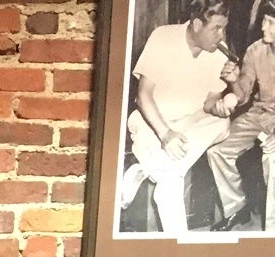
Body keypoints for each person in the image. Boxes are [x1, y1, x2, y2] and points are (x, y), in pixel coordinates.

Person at [118, 0, 233, 234]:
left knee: (223, 124)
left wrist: (219, 106)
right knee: (170, 183)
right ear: (198, 24)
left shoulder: (219, 53)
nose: (221, 36)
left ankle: (147, 169)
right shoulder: (163, 37)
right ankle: (182, 249)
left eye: (224, 28)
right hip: (152, 121)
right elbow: (143, 97)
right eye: (216, 28)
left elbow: (209, 103)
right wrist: (165, 134)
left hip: (191, 123)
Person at [207, 0, 275, 231]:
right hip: (260, 113)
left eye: (271, 23)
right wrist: (234, 83)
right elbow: (244, 94)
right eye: (264, 21)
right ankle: (236, 208)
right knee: (218, 151)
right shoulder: (257, 50)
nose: (264, 27)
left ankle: (271, 231)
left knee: (272, 160)